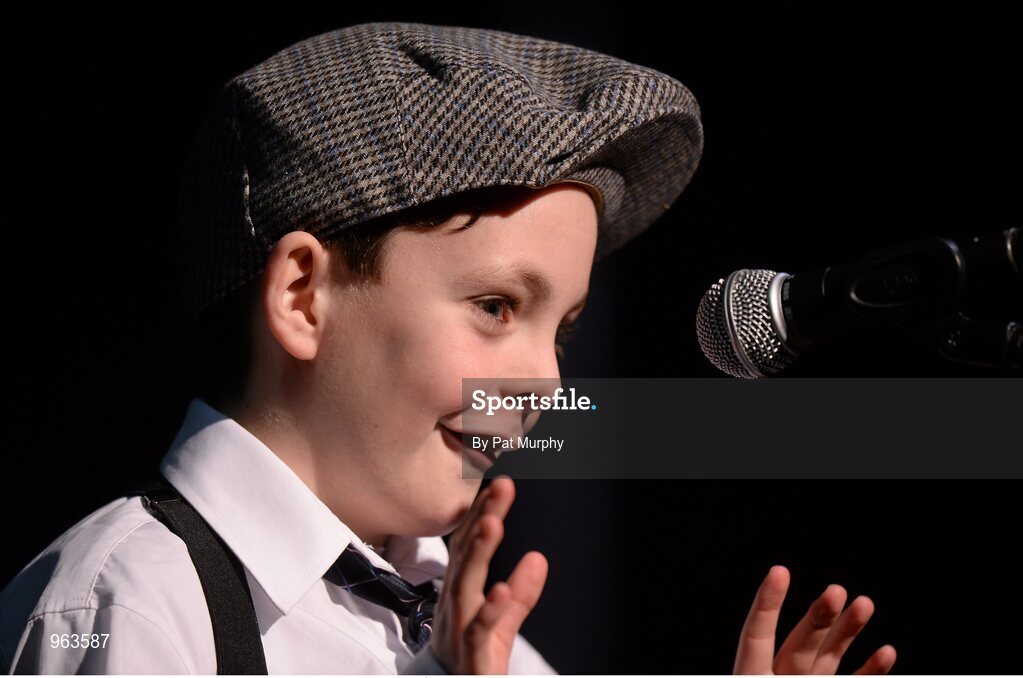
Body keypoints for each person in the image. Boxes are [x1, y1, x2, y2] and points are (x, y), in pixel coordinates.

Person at [0, 21, 895, 674]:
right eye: (497, 306)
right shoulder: (130, 603)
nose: (545, 380)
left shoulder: (486, 650)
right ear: (303, 295)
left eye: (565, 329)